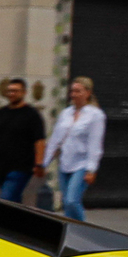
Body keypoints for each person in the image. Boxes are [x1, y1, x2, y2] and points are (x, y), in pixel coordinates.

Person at [0, 77, 47, 203]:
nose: (11, 94)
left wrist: (39, 163)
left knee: (7, 198)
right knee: (13, 201)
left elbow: (40, 140)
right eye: (9, 91)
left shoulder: (31, 114)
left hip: (22, 167)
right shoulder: (1, 113)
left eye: (15, 91)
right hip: (2, 167)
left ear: (24, 92)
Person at [44, 75, 105, 222]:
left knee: (72, 200)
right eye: (72, 91)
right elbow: (56, 139)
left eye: (78, 91)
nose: (74, 95)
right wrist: (45, 162)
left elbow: (95, 143)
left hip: (82, 164)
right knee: (66, 203)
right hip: (65, 163)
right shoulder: (66, 113)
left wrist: (91, 169)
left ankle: (83, 229)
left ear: (87, 93)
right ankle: (71, 231)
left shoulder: (95, 115)